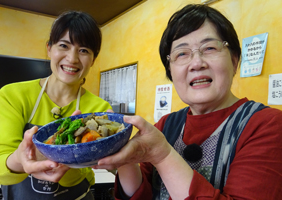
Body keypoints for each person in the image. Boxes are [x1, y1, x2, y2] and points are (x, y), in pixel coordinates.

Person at [93, 4, 282, 200]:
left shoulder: (267, 124)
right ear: (171, 72)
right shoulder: (166, 125)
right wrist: (122, 152)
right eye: (182, 53)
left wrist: (163, 155)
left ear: (234, 61)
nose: (197, 63)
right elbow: (140, 195)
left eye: (209, 48)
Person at [0, 11, 112, 200]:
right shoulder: (13, 95)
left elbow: (79, 176)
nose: (72, 58)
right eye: (63, 46)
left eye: (84, 50)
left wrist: (64, 161)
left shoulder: (100, 111)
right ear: (49, 49)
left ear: (93, 59)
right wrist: (22, 159)